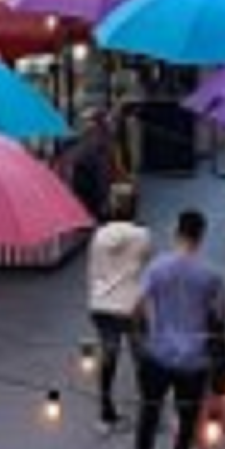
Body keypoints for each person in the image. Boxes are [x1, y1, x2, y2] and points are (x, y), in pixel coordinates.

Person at [109, 208, 224, 449]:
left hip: (158, 354)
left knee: (149, 413)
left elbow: (136, 307)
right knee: (187, 419)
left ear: (176, 231)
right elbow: (219, 317)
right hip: (194, 359)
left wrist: (142, 334)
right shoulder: (211, 276)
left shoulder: (158, 268)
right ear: (201, 235)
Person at [86, 183, 153, 434]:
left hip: (102, 304)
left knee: (109, 359)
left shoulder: (99, 235)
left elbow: (94, 271)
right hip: (132, 304)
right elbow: (146, 265)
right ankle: (148, 410)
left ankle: (105, 413)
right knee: (141, 359)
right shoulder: (143, 235)